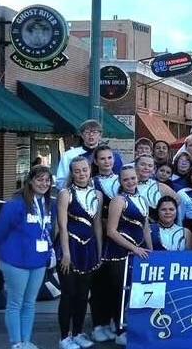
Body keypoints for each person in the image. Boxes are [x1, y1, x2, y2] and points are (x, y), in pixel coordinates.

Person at [0, 166, 54, 349]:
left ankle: (26, 340)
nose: (44, 184)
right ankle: (16, 342)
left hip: (38, 262)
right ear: (30, 181)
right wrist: (6, 253)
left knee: (29, 303)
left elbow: (48, 231)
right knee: (15, 303)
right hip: (16, 262)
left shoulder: (48, 203)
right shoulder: (16, 204)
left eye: (47, 180)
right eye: (39, 180)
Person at [102, 166, 152, 345]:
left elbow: (145, 229)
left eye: (133, 178)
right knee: (119, 292)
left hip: (138, 253)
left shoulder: (142, 199)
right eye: (126, 180)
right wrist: (133, 248)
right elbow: (111, 231)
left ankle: (131, 327)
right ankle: (120, 330)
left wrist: (151, 251)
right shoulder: (118, 200)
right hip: (119, 253)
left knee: (134, 292)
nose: (130, 182)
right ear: (120, 182)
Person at [56, 157, 102, 349]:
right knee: (68, 293)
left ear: (90, 170)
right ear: (72, 173)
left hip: (88, 249)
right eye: (77, 171)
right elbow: (62, 225)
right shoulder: (66, 194)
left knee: (83, 294)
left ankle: (78, 332)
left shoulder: (97, 194)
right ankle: (64, 337)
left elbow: (97, 224)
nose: (82, 174)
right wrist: (66, 253)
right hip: (70, 247)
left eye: (84, 170)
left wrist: (99, 251)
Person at [88, 145, 118, 343]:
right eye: (103, 159)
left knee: (115, 283)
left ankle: (115, 321)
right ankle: (99, 324)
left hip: (118, 238)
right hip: (98, 237)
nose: (107, 162)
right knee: (98, 283)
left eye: (109, 158)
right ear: (96, 162)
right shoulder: (91, 182)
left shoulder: (122, 180)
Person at [56, 120, 123, 189]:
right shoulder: (70, 155)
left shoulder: (113, 156)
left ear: (100, 135)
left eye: (94, 132)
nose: (91, 135)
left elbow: (121, 177)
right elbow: (61, 181)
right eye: (87, 132)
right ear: (82, 135)